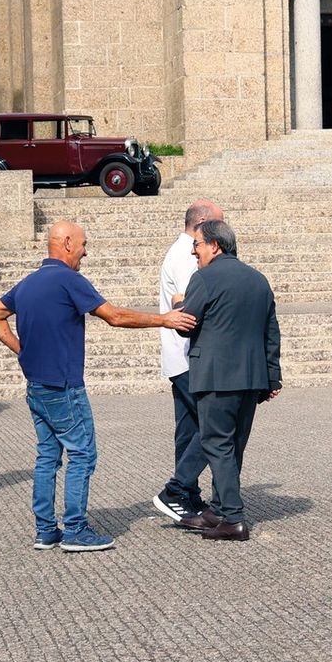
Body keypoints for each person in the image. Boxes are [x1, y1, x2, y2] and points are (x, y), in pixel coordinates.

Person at [0, 220, 196, 552]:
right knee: (82, 454)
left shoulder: (28, 283)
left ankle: (45, 530)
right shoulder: (69, 280)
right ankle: (76, 530)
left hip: (37, 385)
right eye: (83, 244)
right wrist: (164, 319)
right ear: (67, 243)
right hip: (64, 387)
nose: (85, 251)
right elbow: (114, 316)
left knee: (47, 456)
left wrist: (23, 351)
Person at [173, 220, 280, 542]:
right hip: (251, 377)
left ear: (215, 245)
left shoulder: (204, 278)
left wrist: (178, 304)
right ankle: (217, 510)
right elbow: (271, 332)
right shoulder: (258, 279)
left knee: (217, 444)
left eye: (197, 245)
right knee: (233, 446)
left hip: (216, 376)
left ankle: (233, 518)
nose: (194, 252)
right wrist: (272, 377)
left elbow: (186, 324)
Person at [151, 199, 222, 523]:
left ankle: (186, 496)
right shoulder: (185, 255)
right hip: (189, 358)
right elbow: (186, 303)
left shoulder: (180, 251)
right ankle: (178, 491)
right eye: (219, 222)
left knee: (189, 429)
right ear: (203, 222)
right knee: (214, 427)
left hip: (181, 358)